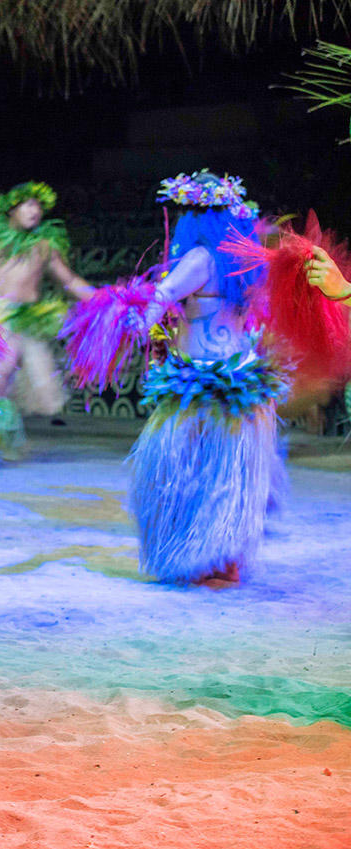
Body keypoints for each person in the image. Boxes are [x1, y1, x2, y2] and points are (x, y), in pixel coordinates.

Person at [129, 170, 282, 587]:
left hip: (199, 383)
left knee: (186, 473)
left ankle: (201, 559)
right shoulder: (244, 261)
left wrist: (139, 327)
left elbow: (155, 304)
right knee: (228, 478)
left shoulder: (197, 260)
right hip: (241, 377)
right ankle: (226, 560)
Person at [0, 182, 94, 450]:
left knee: (12, 383)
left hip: (25, 319)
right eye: (29, 204)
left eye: (39, 206)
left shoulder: (43, 246)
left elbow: (68, 280)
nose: (36, 211)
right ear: (12, 208)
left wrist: (103, 299)